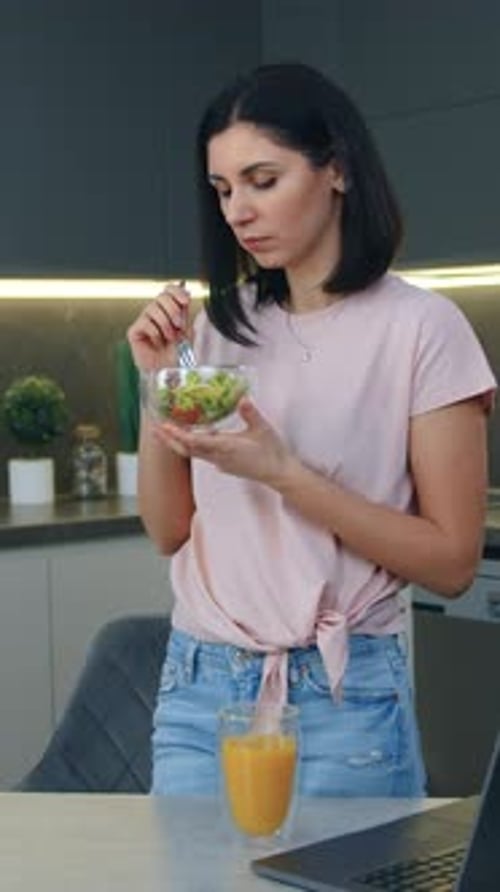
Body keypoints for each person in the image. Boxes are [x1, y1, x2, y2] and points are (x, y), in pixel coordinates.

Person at [127, 62, 496, 797]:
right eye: (223, 190)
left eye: (262, 180)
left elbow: (453, 563)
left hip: (344, 697)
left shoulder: (422, 330)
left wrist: (284, 472)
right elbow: (168, 528)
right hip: (202, 691)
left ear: (338, 170)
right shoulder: (216, 330)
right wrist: (158, 384)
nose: (237, 211)